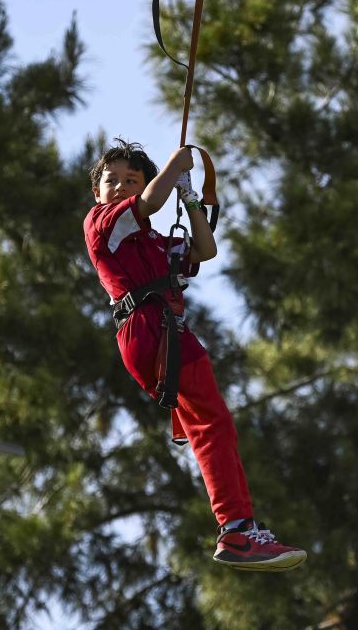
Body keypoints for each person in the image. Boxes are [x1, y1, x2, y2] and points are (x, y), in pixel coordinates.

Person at [84, 138, 308, 569]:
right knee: (214, 423)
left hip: (157, 331)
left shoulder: (149, 240)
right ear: (98, 193)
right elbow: (148, 202)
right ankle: (238, 529)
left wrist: (189, 198)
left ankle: (238, 526)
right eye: (111, 180)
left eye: (130, 180)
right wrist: (174, 166)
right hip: (151, 327)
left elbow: (204, 250)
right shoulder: (102, 223)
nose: (119, 187)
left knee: (210, 426)